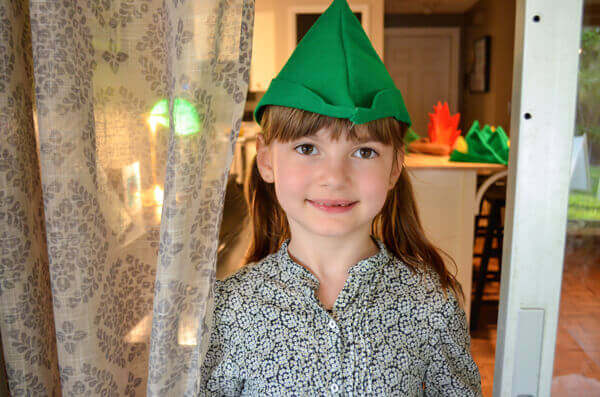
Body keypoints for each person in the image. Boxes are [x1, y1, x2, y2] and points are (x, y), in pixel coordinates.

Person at [199, 0, 482, 395]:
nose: (334, 177)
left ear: (394, 167)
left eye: (364, 152)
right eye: (307, 147)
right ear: (266, 160)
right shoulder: (228, 309)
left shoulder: (430, 305)